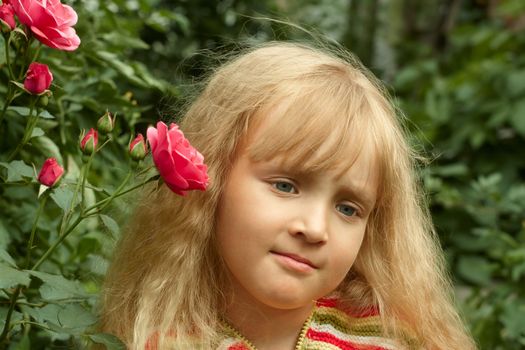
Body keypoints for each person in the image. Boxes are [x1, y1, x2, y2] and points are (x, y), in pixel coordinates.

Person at [99, 42, 476, 349]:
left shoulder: (391, 342)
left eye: (348, 208)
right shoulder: (154, 340)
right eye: (285, 185)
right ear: (213, 177)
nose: (314, 229)